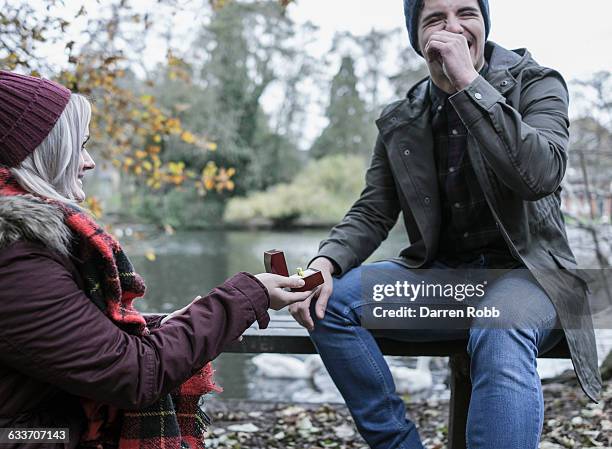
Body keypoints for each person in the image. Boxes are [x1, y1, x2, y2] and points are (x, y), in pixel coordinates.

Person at [289, 1, 601, 448]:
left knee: (499, 322)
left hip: (532, 279)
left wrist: (469, 86)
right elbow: (373, 210)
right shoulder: (403, 117)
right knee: (329, 302)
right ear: (417, 37)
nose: (453, 27)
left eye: (466, 13)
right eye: (435, 18)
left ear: (484, 23)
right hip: (445, 281)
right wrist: (324, 263)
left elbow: (541, 175)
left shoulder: (537, 83)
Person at [0, 70, 314, 448]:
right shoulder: (16, 258)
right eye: (78, 145)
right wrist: (248, 296)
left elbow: (68, 339)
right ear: (40, 151)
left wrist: (165, 324)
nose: (89, 161)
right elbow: (135, 374)